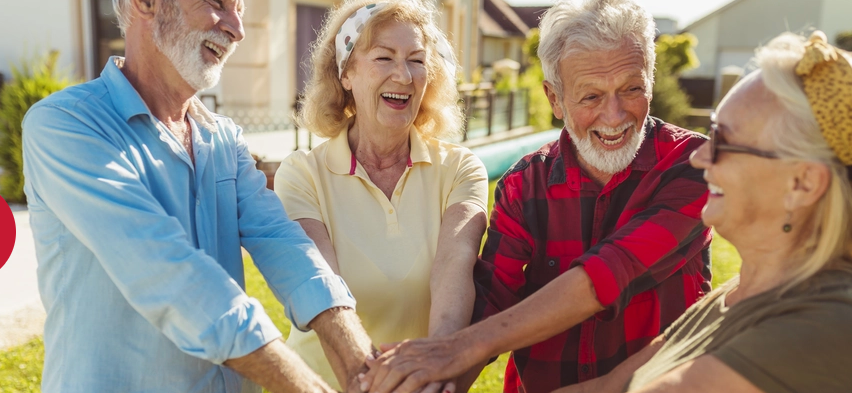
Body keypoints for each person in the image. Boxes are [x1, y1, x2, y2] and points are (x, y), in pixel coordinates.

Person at [358, 0, 712, 392]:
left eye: (631, 89)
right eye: (591, 97)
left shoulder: (695, 165)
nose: (614, 115)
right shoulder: (523, 184)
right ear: (555, 99)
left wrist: (457, 348)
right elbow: (492, 295)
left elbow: (611, 271)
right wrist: (439, 383)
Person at [21, 0, 374, 392]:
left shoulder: (223, 138)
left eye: (240, 9)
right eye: (217, 4)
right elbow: (165, 272)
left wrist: (361, 365)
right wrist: (307, 386)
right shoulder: (67, 125)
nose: (237, 29)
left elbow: (283, 242)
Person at [551, 30, 852, 393]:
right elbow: (604, 388)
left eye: (723, 141)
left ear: (802, 184)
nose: (699, 156)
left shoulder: (822, 328)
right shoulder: (739, 293)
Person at [274, 0, 488, 391]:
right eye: (384, 57)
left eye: (417, 60)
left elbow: (453, 272)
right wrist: (370, 382)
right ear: (346, 74)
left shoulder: (461, 169)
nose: (403, 76)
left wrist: (433, 370)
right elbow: (322, 288)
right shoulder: (302, 173)